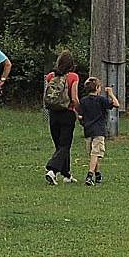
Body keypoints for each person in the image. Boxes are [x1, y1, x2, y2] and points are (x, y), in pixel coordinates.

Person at [42, 51, 81, 184]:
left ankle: (66, 174)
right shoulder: (73, 77)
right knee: (65, 145)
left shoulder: (50, 76)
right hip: (67, 113)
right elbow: (74, 98)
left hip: (53, 113)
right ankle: (52, 170)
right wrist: (79, 111)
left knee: (59, 144)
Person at [78, 75, 118, 184]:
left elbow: (80, 116)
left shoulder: (83, 100)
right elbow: (116, 104)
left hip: (88, 130)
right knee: (95, 154)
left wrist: (83, 123)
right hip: (99, 131)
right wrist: (110, 93)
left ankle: (98, 174)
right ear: (97, 88)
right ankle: (90, 175)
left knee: (92, 154)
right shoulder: (101, 100)